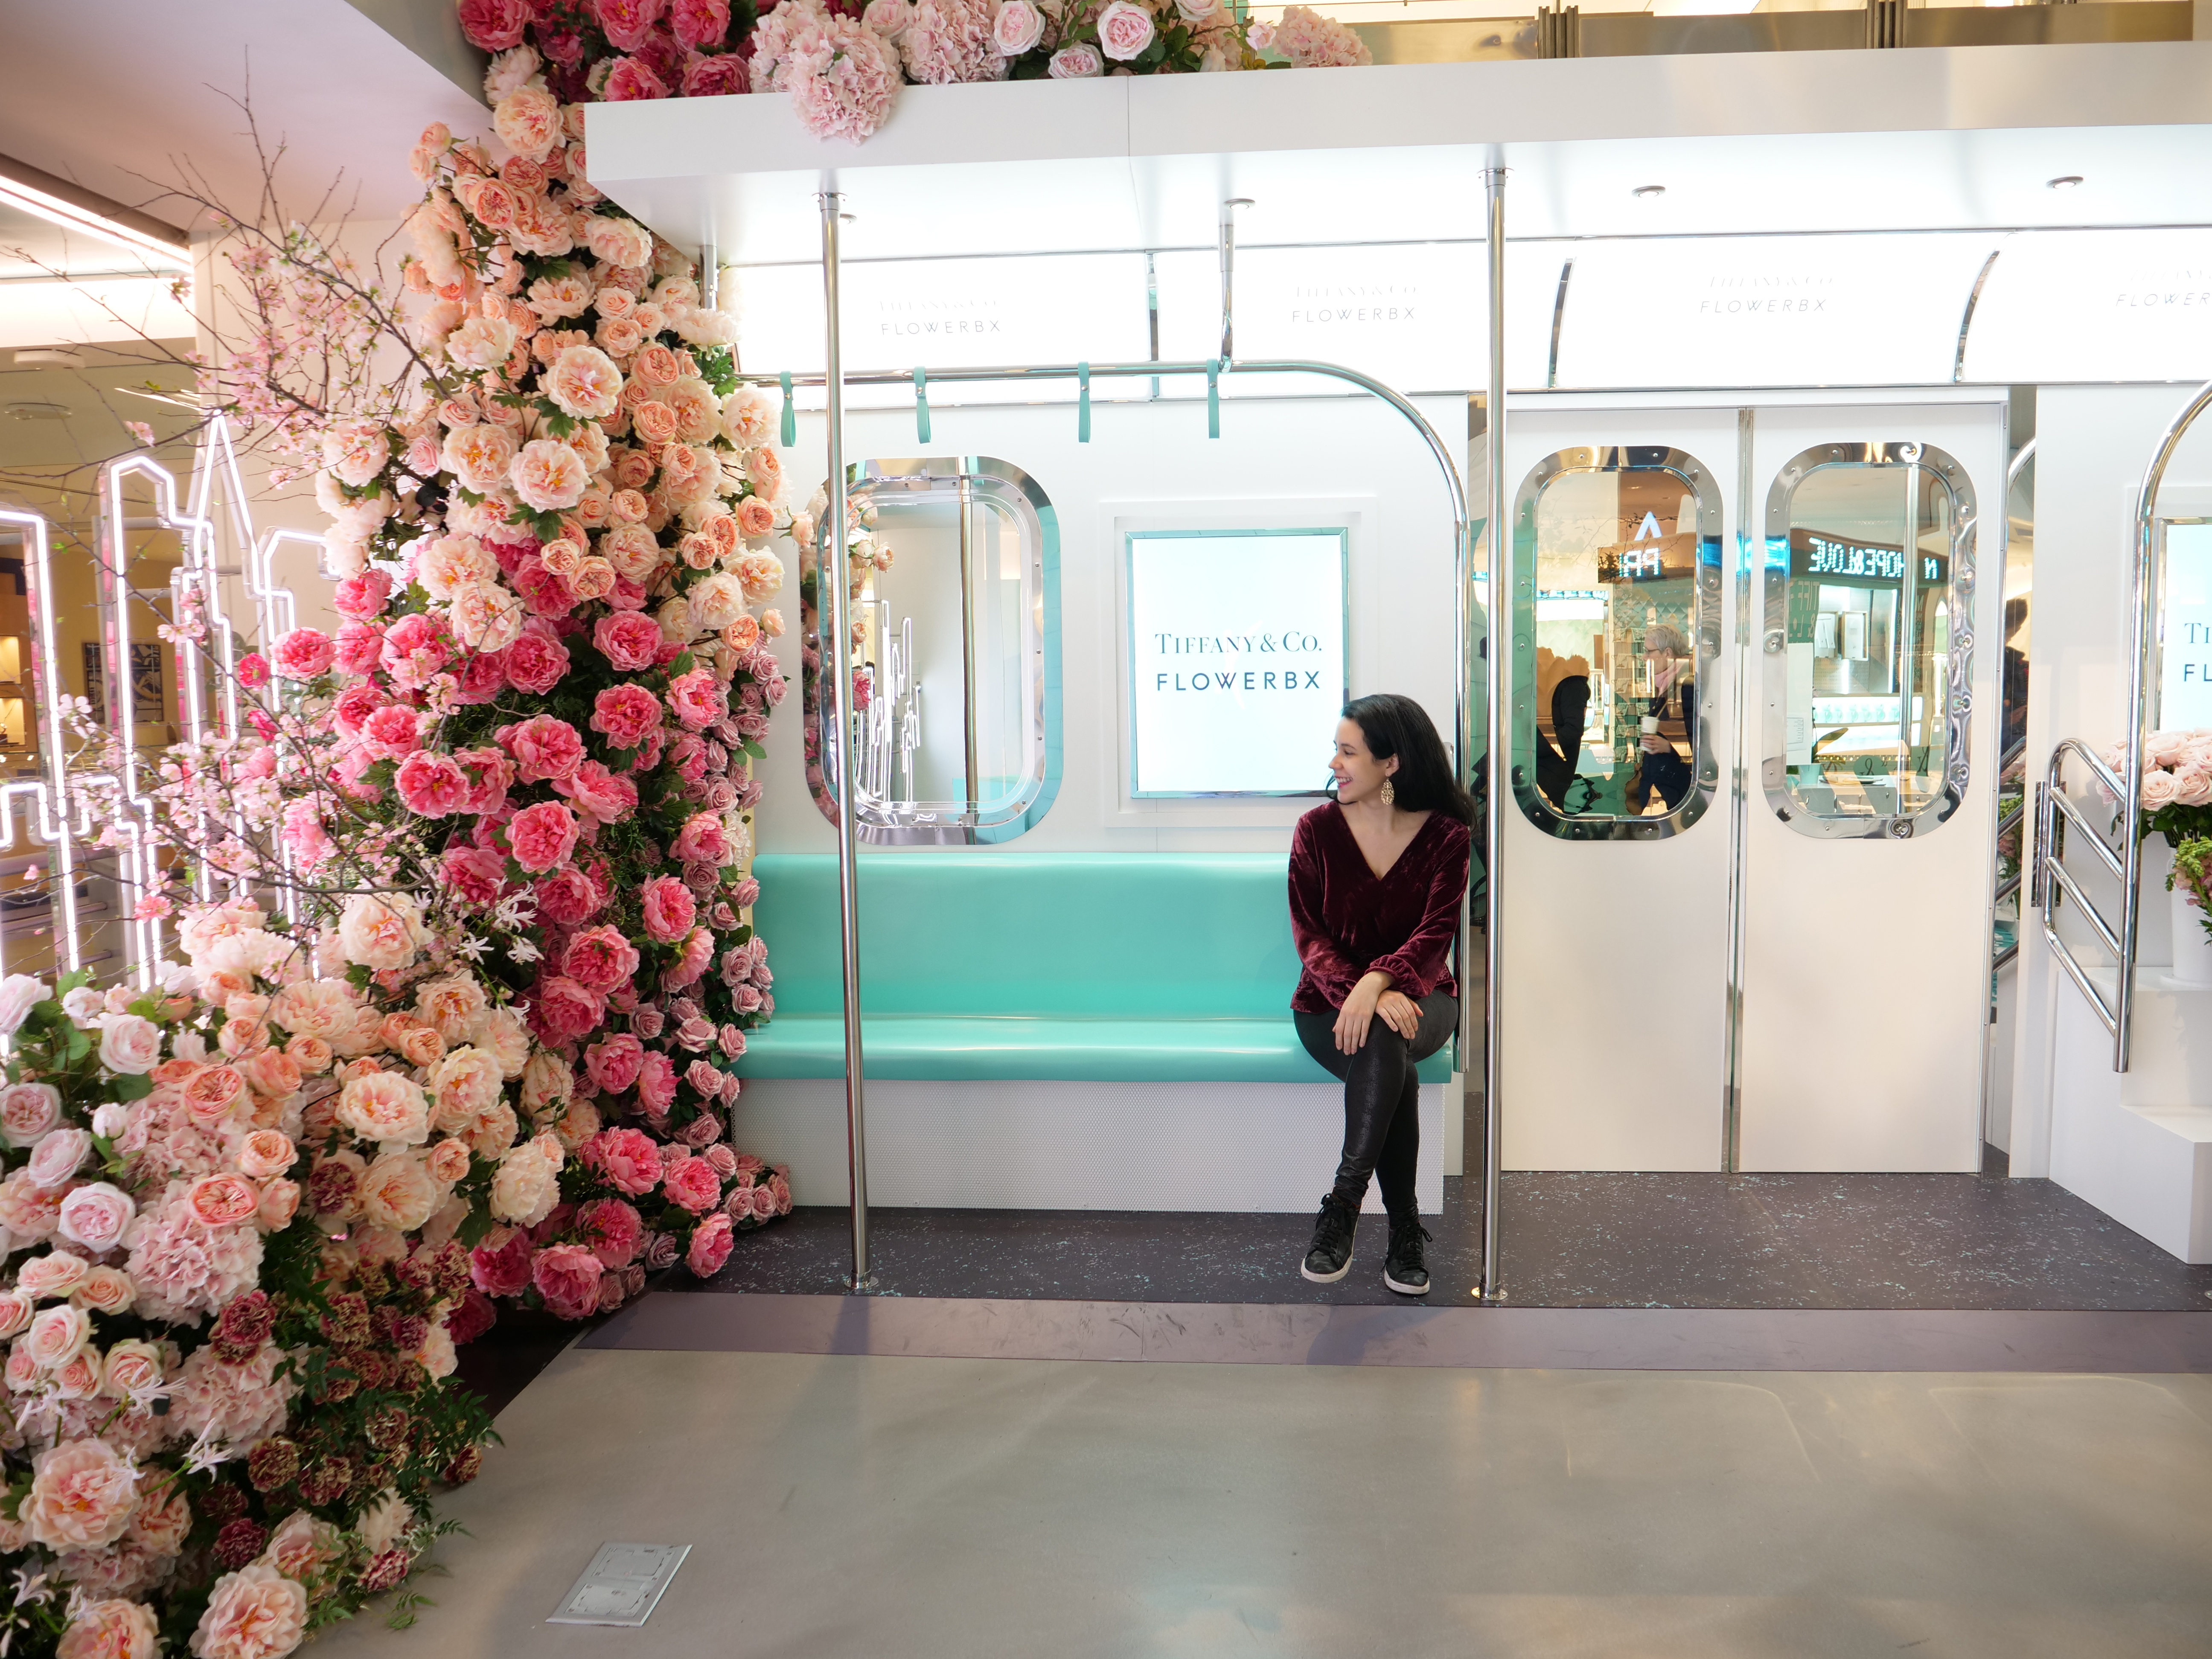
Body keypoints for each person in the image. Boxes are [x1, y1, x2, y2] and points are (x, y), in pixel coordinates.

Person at [1289, 693, 1474, 1295]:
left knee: (1386, 1034)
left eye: (1349, 752)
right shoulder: (1315, 830)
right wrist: (1356, 992)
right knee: (1390, 1055)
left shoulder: (1447, 836)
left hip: (1425, 998)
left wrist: (1377, 983)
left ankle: (1341, 1208)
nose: (1335, 763)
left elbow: (1433, 938)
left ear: (1390, 763)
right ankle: (1403, 1231)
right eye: (1335, 750)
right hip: (1327, 1004)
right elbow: (1309, 935)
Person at [1635, 622, 1696, 813]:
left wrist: (1669, 747)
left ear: (1667, 653)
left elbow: (1699, 738)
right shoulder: (1664, 685)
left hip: (1685, 787)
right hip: (1672, 783)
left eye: (1649, 652)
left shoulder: (1686, 686)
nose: (1645, 657)